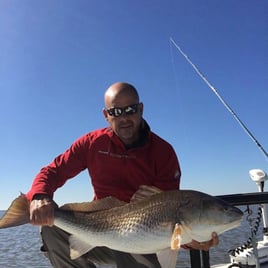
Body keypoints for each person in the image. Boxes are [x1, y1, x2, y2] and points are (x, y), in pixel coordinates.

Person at [26, 82, 218, 268]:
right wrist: (39, 196)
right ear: (106, 115)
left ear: (141, 109)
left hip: (143, 237)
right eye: (116, 112)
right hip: (98, 228)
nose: (124, 118)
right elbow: (53, 171)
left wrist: (190, 240)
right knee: (51, 227)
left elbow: (170, 211)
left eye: (130, 110)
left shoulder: (163, 152)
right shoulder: (92, 143)